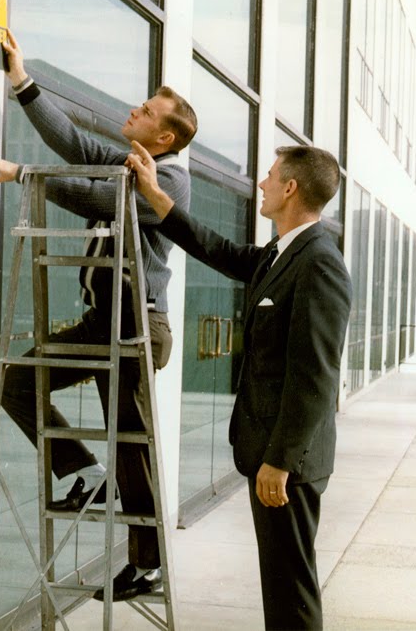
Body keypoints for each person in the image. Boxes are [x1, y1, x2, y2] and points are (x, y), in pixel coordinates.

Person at [0, 30, 198, 602]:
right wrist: (21, 79)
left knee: (133, 448)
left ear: (165, 136)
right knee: (18, 382)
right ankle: (84, 472)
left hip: (138, 325)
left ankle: (147, 566)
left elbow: (101, 200)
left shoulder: (168, 180)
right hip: (106, 324)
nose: (134, 110)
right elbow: (72, 141)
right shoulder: (129, 162)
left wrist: (23, 174)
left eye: (146, 110)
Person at [126, 140, 352, 630]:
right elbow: (219, 250)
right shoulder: (282, 252)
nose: (262, 183)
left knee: (291, 591)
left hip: (287, 464)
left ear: (291, 188)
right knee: (282, 586)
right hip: (271, 454)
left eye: (270, 175)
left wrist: (280, 461)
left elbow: (314, 378)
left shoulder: (318, 262)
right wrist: (157, 197)